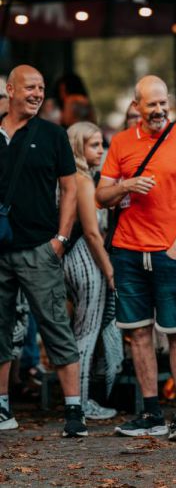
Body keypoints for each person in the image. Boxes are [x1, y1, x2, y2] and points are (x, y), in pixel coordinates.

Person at [96, 75, 176, 440]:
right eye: (152, 104)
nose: (159, 110)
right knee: (139, 334)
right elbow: (101, 195)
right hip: (128, 250)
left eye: (163, 103)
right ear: (136, 105)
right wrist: (126, 184)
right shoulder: (121, 142)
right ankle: (151, 414)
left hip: (168, 252)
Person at [0, 65, 86, 437]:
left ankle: (74, 411)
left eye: (41, 87)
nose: (37, 93)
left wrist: (61, 239)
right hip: (0, 249)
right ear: (10, 89)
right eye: (30, 87)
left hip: (40, 248)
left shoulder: (53, 135)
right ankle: (2, 407)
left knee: (55, 326)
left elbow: (70, 188)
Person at [65, 121, 123, 420]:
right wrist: (109, 270)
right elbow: (91, 233)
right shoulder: (83, 180)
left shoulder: (67, 177)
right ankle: (81, 402)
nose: (101, 150)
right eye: (94, 145)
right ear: (78, 146)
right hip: (85, 259)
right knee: (86, 334)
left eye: (102, 144)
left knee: (81, 330)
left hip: (73, 258)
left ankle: (79, 400)